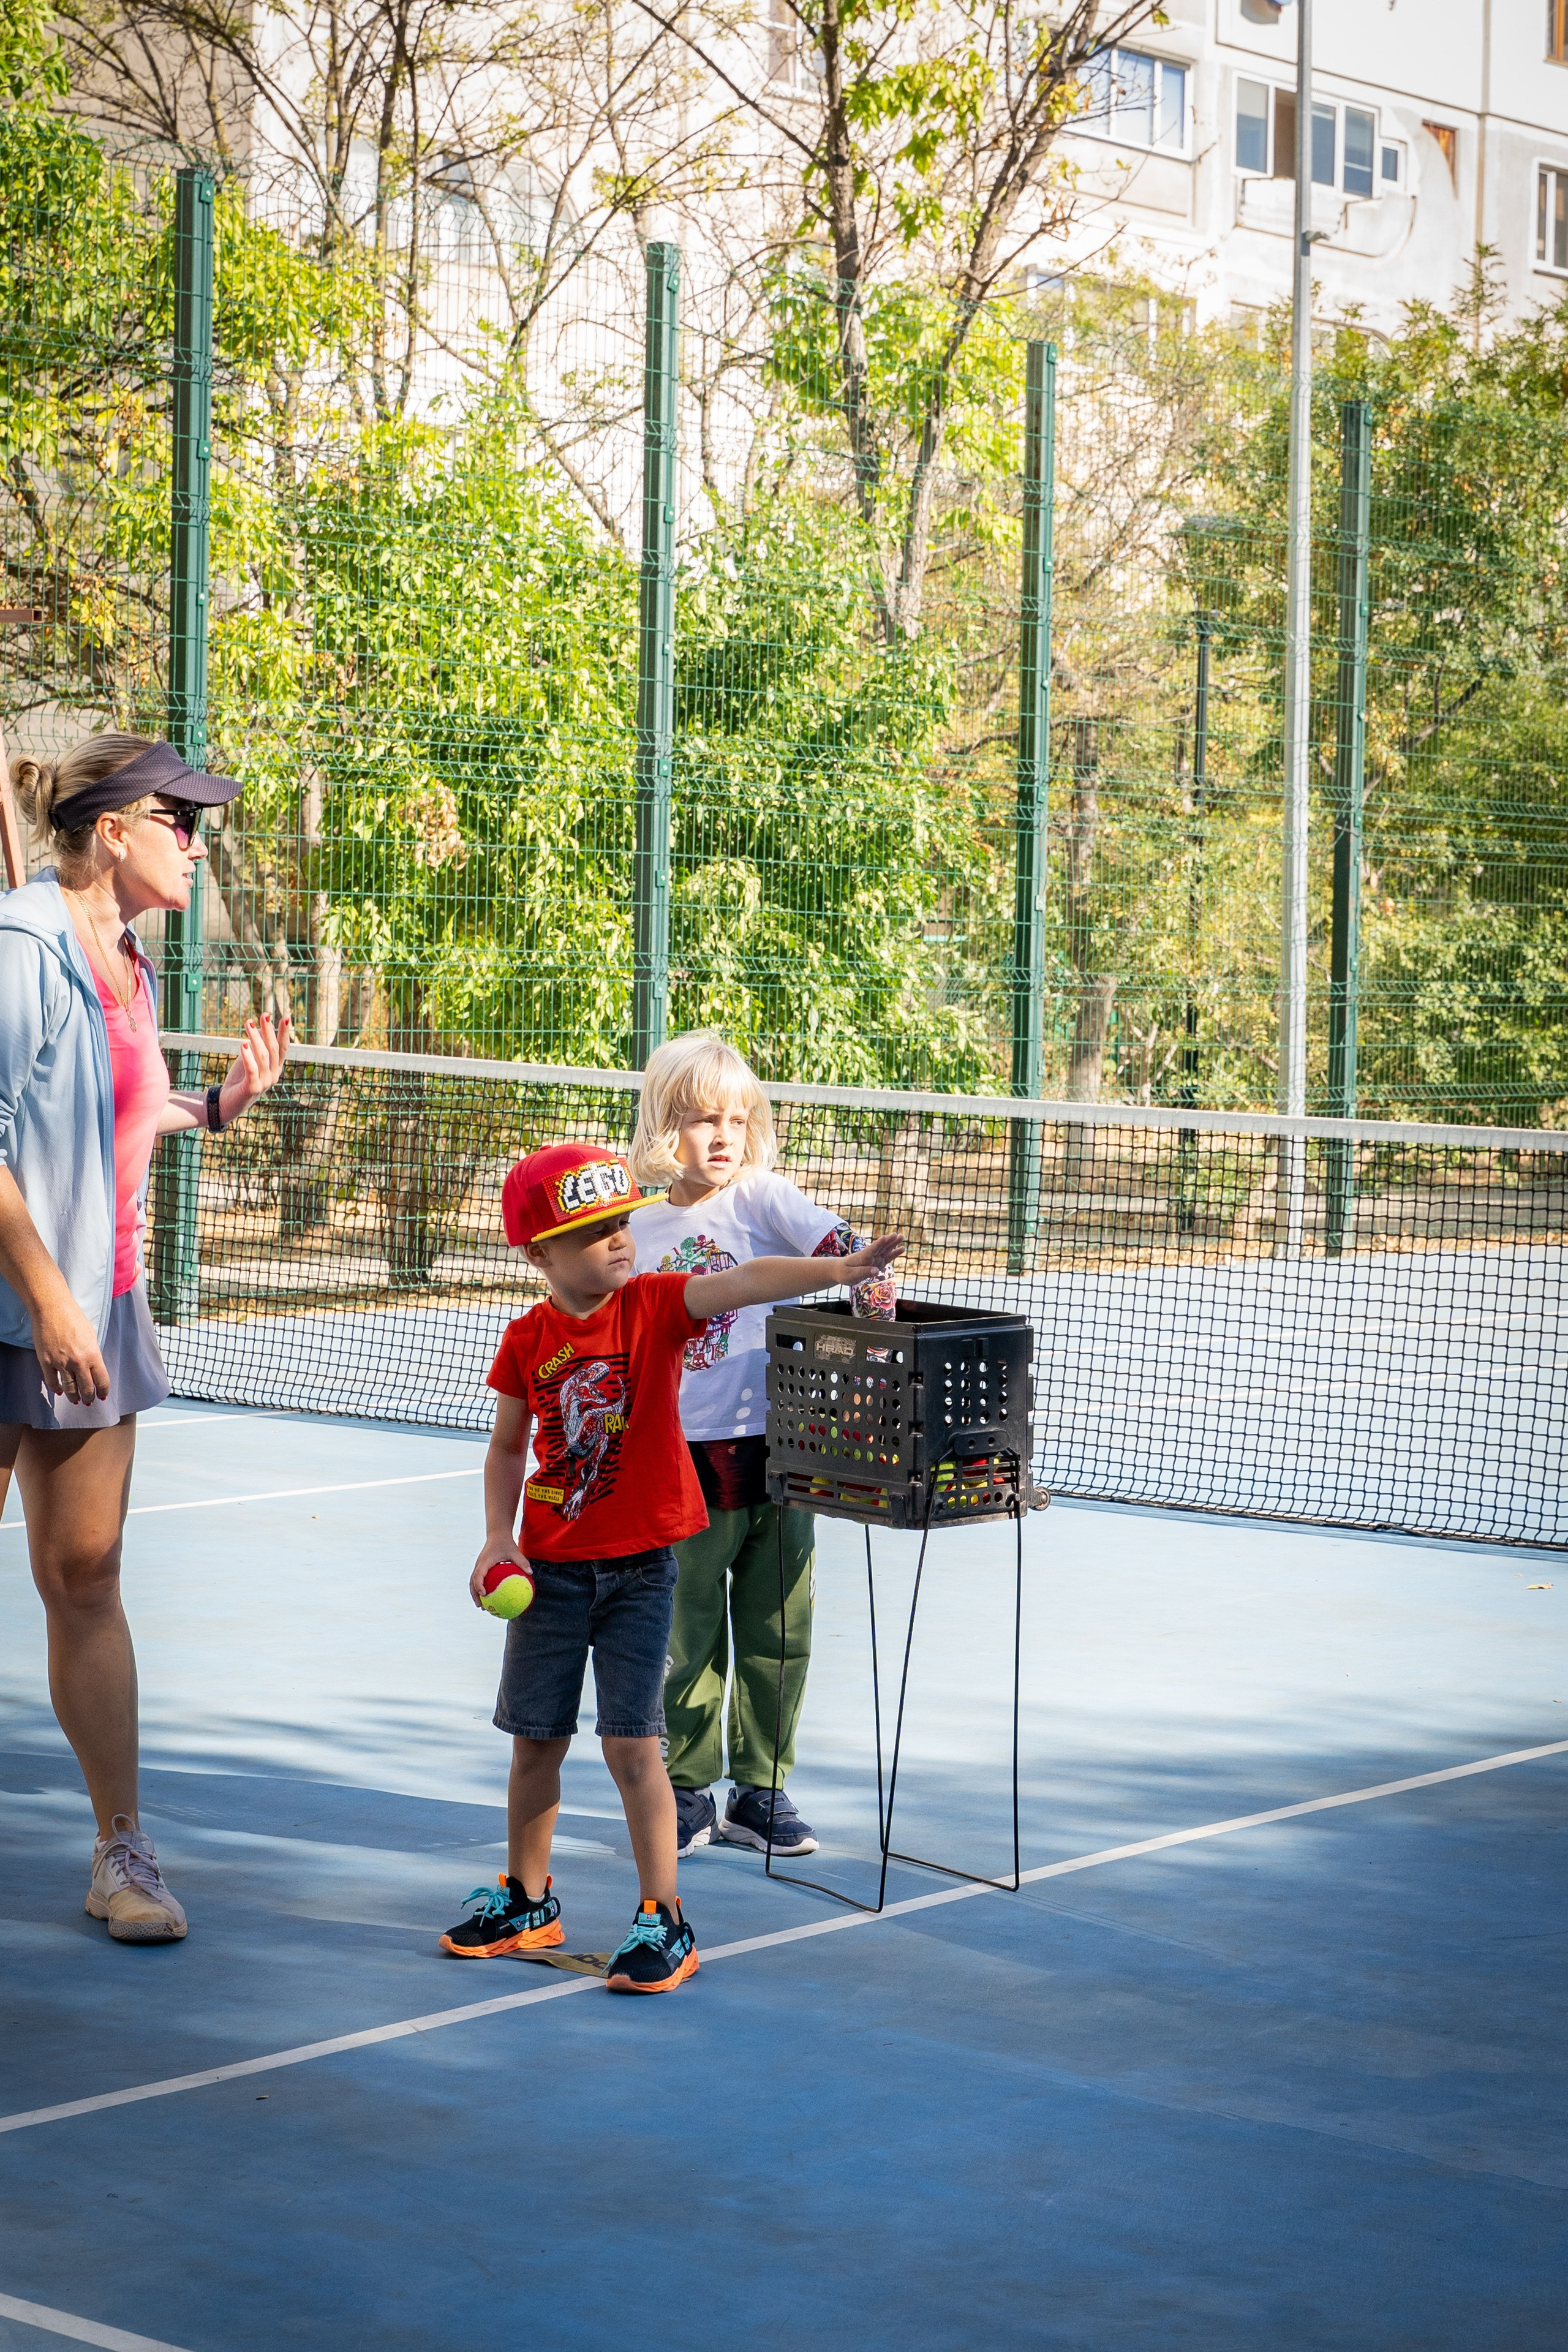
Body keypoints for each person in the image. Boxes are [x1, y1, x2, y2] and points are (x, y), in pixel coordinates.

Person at [440, 1141, 902, 1994]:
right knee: (534, 1744)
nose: (621, 1241)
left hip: (642, 1572)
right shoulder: (525, 1341)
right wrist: (497, 1538)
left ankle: (663, 1917)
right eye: (594, 1232)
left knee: (632, 1749)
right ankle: (529, 1900)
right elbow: (508, 1448)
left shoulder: (653, 1306)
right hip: (548, 1573)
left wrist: (840, 1266)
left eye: (623, 1224)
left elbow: (745, 1282)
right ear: (540, 1253)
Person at [0, 734, 289, 1942]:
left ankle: (122, 1857)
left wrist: (213, 1106)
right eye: (180, 819)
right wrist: (49, 1302)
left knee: (88, 1577)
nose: (197, 840)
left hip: (92, 1301)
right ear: (113, 828)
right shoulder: (19, 953)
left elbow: (116, 1110)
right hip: (29, 1298)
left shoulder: (129, 964)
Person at [627, 1033, 894, 1863]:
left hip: (783, 1447)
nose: (722, 1135)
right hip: (682, 1459)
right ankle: (688, 1787)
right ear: (661, 1124)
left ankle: (761, 1790)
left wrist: (872, 1289)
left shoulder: (763, 1198)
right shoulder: (633, 1224)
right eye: (701, 1118)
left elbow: (840, 1251)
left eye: (736, 1119)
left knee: (780, 1625)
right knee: (688, 1626)